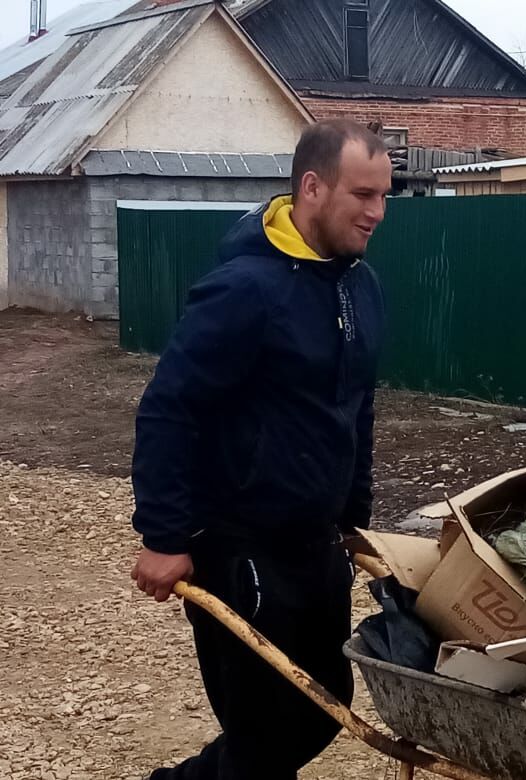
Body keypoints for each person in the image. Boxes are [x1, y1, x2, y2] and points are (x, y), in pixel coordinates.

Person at [129, 119, 392, 780]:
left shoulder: (359, 288)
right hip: (240, 545)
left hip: (315, 545)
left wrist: (352, 519)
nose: (376, 212)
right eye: (362, 194)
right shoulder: (246, 289)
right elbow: (169, 406)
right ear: (311, 186)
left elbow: (354, 405)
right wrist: (164, 534)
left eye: (385, 195)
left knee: (323, 705)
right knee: (264, 728)